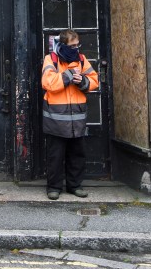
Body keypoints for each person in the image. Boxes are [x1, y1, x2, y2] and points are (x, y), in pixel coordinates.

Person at [40, 29, 99, 200]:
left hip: (77, 118)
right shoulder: (51, 59)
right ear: (63, 45)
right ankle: (54, 188)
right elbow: (48, 82)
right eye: (72, 45)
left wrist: (83, 82)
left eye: (77, 45)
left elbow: (94, 79)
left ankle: (75, 186)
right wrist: (69, 75)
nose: (76, 48)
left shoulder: (81, 59)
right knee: (55, 156)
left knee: (77, 155)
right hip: (56, 119)